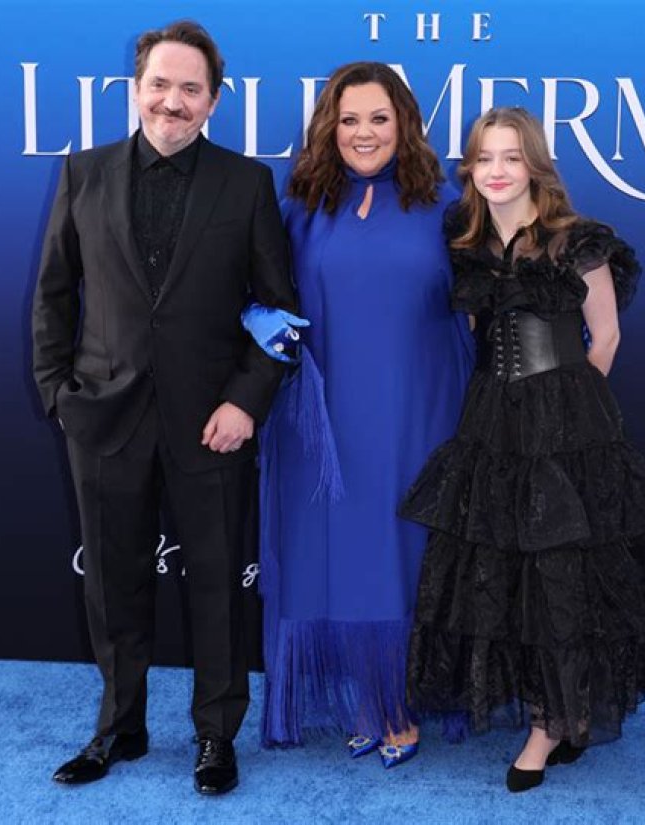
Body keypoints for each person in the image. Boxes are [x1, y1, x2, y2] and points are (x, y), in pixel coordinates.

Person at [32, 20, 296, 795]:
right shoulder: (83, 172)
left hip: (212, 423)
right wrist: (59, 394)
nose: (172, 101)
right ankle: (120, 725)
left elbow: (279, 308)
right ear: (136, 87)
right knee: (112, 583)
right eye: (160, 84)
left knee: (216, 584)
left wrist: (246, 401)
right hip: (102, 417)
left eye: (190, 88)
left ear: (213, 100)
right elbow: (53, 295)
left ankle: (216, 733)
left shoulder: (246, 183)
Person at [400, 106, 645, 791]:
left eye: (511, 157)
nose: (496, 171)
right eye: (484, 158)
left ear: (536, 166)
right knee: (504, 571)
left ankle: (549, 724)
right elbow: (473, 334)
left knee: (561, 576)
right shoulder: (466, 243)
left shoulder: (575, 240)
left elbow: (604, 338)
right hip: (492, 421)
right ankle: (557, 709)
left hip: (567, 426)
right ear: (470, 168)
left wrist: (572, 421)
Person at [259, 62, 474, 767]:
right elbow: (257, 288)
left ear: (405, 124)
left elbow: (491, 293)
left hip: (420, 408)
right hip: (322, 416)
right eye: (349, 119)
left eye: (379, 118)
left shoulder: (447, 207)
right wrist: (259, 317)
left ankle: (400, 700)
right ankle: (365, 695)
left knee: (402, 550)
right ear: (329, 126)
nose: (364, 133)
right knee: (335, 552)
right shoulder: (300, 207)